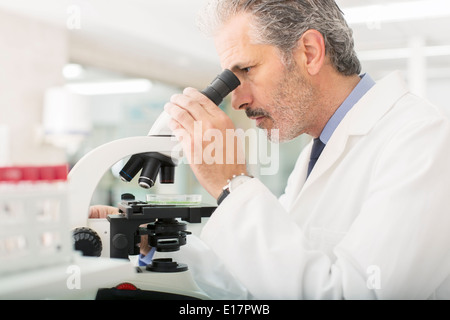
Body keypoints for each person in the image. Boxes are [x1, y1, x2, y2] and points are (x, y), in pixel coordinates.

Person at [90, 0, 450, 299]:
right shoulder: (317, 151)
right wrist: (145, 241)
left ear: (309, 52)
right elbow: (259, 279)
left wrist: (232, 184)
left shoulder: (423, 139)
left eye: (246, 69)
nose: (237, 98)